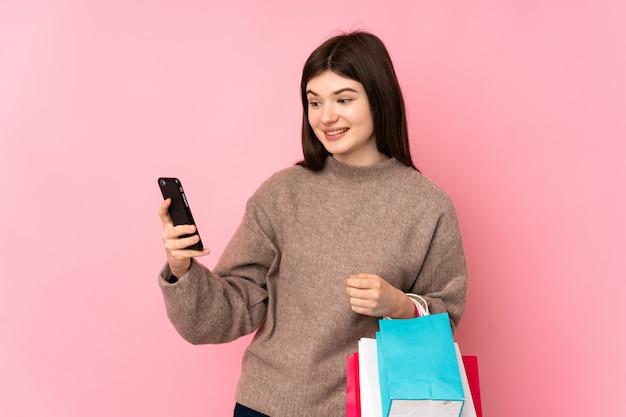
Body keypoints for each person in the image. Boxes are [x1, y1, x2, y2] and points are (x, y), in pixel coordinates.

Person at [158, 31, 468, 417]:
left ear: (379, 98)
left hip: (367, 408)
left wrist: (400, 305)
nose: (326, 116)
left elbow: (446, 317)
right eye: (314, 101)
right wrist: (182, 269)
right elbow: (229, 311)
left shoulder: (427, 205)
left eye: (344, 99)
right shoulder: (282, 193)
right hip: (265, 405)